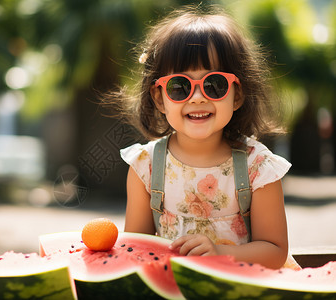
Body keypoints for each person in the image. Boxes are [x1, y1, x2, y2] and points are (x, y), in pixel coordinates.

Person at [116, 5, 297, 269]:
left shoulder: (257, 167)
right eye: (180, 86)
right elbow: (137, 250)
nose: (198, 97)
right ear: (159, 98)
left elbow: (275, 251)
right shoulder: (146, 166)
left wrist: (219, 253)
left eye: (215, 85)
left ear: (238, 94)